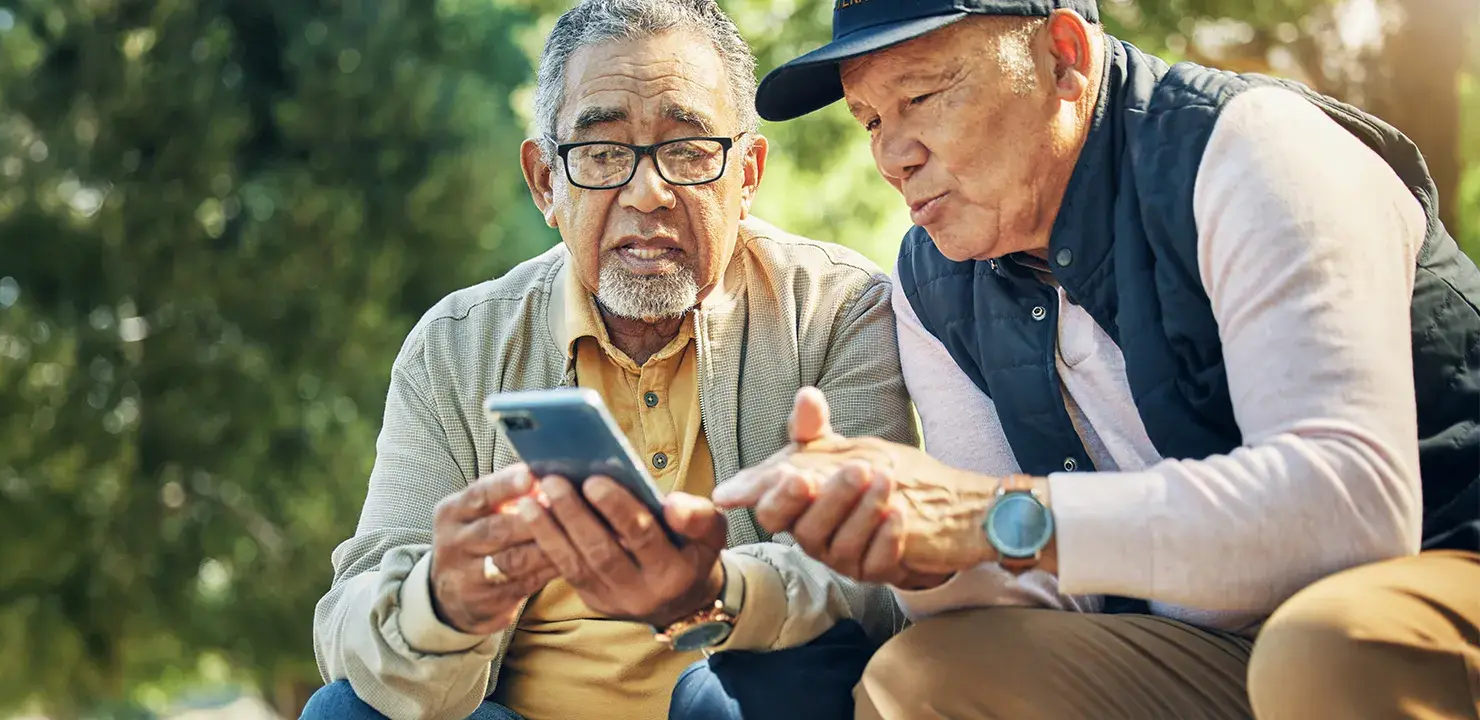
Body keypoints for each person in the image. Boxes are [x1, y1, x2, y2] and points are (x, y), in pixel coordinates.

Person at [705, 0, 1480, 717]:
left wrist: (993, 515)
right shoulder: (931, 281)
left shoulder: (1253, 148)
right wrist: (916, 552)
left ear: (1065, 56)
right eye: (870, 119)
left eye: (922, 97)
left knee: (1326, 650)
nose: (891, 157)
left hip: (1429, 575)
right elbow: (1031, 581)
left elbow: (1350, 512)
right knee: (925, 674)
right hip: (1220, 642)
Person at [302, 2, 925, 719]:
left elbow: (880, 586)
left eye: (688, 151)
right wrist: (441, 603)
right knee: (341, 712)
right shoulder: (456, 345)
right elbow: (349, 615)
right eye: (602, 154)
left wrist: (715, 585)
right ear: (545, 183)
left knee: (746, 694)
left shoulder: (837, 308)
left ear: (747, 174)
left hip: (728, 705)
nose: (647, 191)